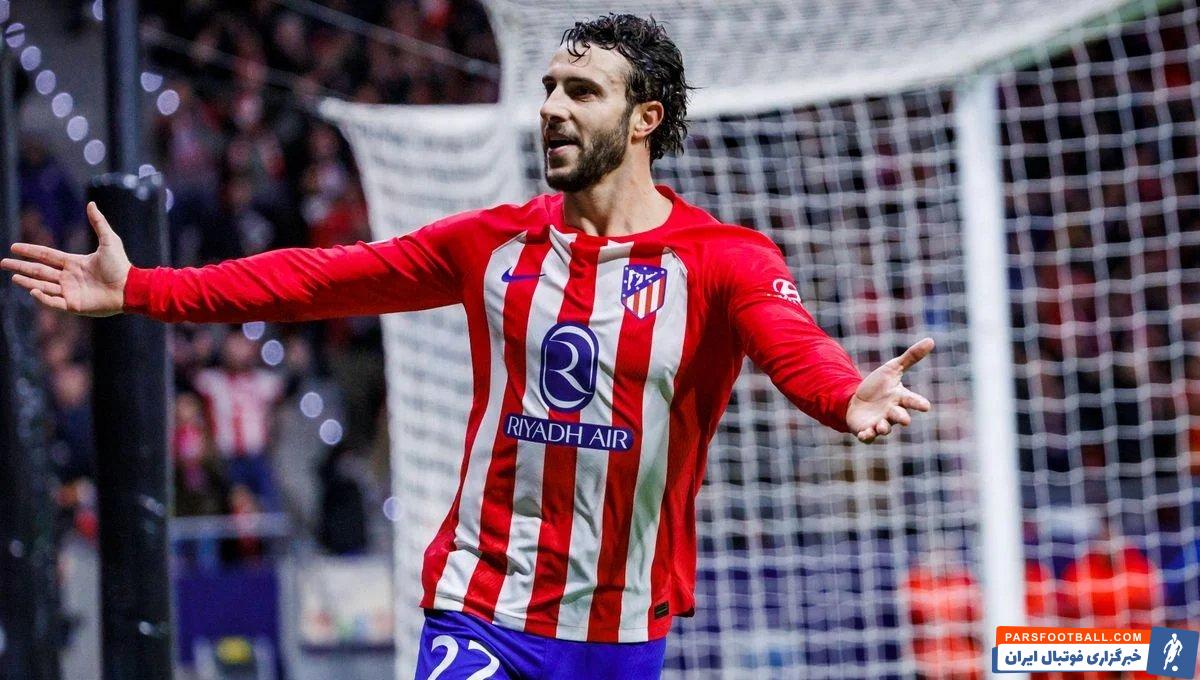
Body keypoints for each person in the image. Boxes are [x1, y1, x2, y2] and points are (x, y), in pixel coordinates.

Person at [3, 14, 934, 679]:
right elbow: (316, 280)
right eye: (550, 89)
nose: (553, 108)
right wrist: (142, 288)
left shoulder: (723, 259)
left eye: (582, 92)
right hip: (486, 608)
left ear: (644, 119)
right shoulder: (490, 245)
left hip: (622, 630)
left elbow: (791, 344)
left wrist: (843, 395)